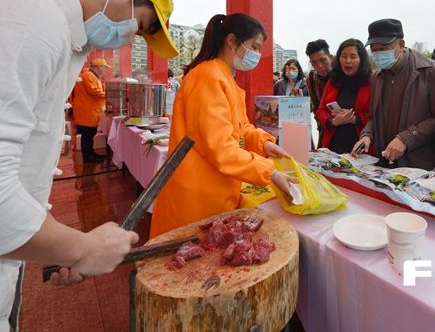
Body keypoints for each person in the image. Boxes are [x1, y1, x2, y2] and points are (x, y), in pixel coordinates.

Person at [0, 0, 178, 330]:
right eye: (138, 26)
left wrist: (56, 245)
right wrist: (83, 249)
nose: (130, 37)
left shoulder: (58, 28)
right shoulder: (31, 19)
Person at [150, 13, 296, 238]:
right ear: (231, 41)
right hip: (197, 197)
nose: (256, 55)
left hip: (216, 190)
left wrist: (263, 143)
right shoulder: (208, 77)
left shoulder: (225, 77)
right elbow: (221, 148)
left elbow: (240, 128)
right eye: (254, 47)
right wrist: (271, 172)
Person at [353, 19, 435, 173]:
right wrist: (367, 136)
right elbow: (373, 117)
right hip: (389, 164)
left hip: (425, 165)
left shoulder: (430, 71)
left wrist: (406, 138)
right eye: (374, 49)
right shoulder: (377, 77)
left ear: (401, 44)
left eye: (383, 48)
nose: (378, 54)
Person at [315, 39, 372, 154]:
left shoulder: (372, 82)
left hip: (360, 148)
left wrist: (354, 118)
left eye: (353, 56)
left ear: (362, 59)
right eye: (344, 56)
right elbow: (320, 111)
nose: (348, 61)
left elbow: (377, 117)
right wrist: (334, 121)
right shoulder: (333, 81)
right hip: (332, 147)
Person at [72, 58, 111, 163]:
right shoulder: (88, 75)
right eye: (104, 68)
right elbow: (94, 91)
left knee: (90, 134)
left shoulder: (92, 76)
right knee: (87, 134)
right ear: (98, 67)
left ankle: (90, 153)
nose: (105, 70)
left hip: (90, 110)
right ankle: (87, 157)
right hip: (86, 111)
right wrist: (110, 95)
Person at [304, 39, 332, 147]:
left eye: (323, 60)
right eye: (314, 62)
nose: (319, 66)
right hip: (324, 126)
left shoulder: (341, 75)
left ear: (331, 57)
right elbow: (316, 106)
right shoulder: (311, 78)